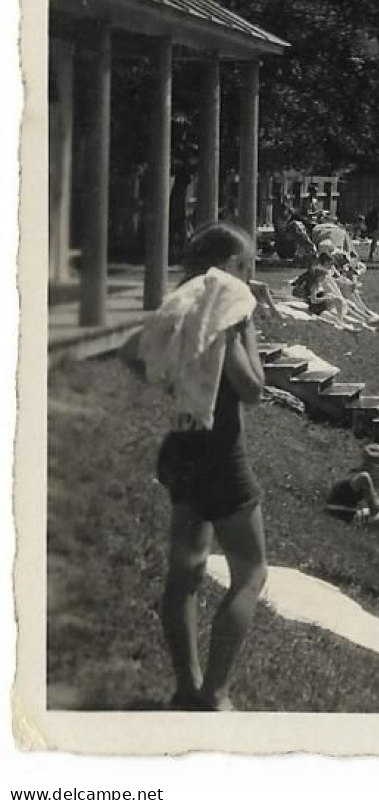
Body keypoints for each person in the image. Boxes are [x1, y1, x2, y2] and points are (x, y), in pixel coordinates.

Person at [128, 222, 267, 711]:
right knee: (251, 573)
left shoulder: (184, 308)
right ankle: (217, 694)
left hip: (180, 448)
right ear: (230, 268)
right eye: (247, 267)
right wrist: (242, 334)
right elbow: (252, 389)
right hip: (221, 454)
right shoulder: (230, 310)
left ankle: (186, 687)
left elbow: (136, 358)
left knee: (183, 575)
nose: (251, 277)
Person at [326, 443, 379, 523]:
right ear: (376, 465)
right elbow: (375, 509)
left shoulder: (354, 471)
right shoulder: (364, 477)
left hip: (332, 509)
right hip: (343, 515)